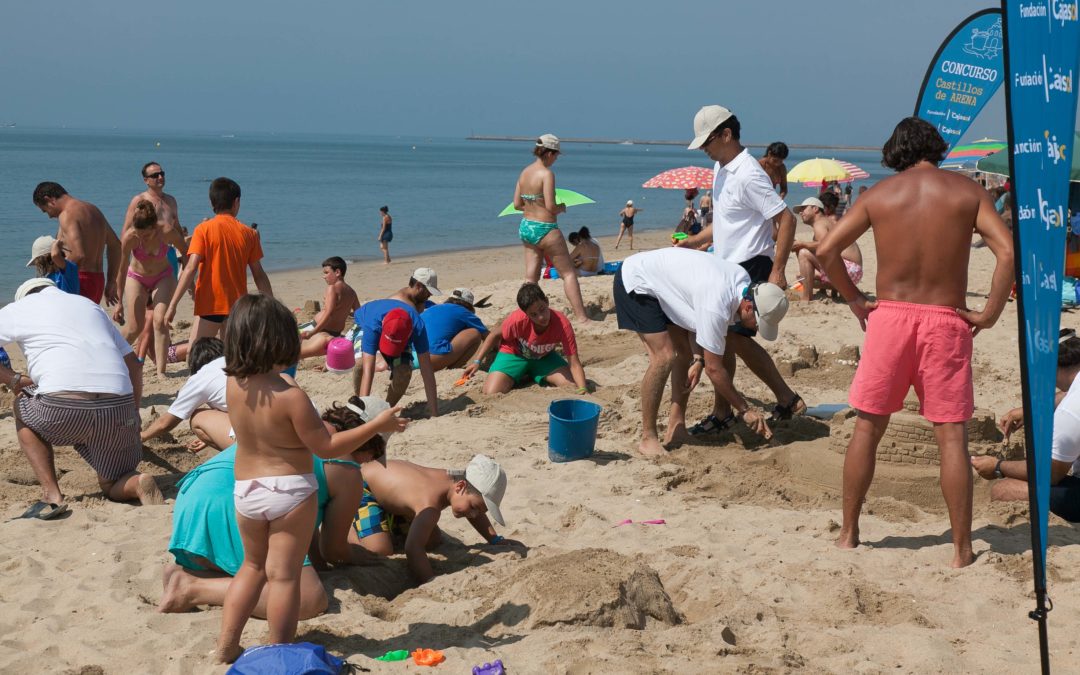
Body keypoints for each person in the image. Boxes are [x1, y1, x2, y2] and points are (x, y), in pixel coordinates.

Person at [816, 117, 1014, 568]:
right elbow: (1006, 251)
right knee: (951, 437)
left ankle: (849, 534)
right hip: (946, 320)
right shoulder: (967, 193)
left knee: (867, 426)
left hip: (889, 317)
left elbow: (826, 252)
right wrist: (990, 313)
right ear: (936, 147)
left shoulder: (879, 196)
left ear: (896, 152)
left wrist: (854, 300)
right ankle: (962, 549)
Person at [213, 294, 407, 663]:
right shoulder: (290, 395)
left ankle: (226, 645)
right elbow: (328, 447)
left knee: (252, 568)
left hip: (245, 490)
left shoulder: (234, 386)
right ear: (280, 342)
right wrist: (376, 426)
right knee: (284, 576)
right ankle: (279, 651)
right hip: (289, 490)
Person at [159, 395, 397, 619]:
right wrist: (362, 556)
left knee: (264, 571)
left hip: (194, 495)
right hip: (230, 505)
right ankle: (192, 588)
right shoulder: (347, 470)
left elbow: (308, 528)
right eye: (374, 455)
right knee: (308, 599)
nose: (370, 462)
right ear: (370, 443)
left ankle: (193, 574)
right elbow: (334, 550)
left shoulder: (304, 425)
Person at [680, 105, 803, 431]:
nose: (704, 148)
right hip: (728, 264)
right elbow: (724, 222)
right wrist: (694, 242)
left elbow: (786, 218)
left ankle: (784, 398)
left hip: (751, 265)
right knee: (723, 340)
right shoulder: (722, 168)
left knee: (729, 341)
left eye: (707, 141)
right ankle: (740, 409)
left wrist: (778, 269)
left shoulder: (748, 173)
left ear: (726, 134)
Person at [1, 278, 163, 520]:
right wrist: (133, 413)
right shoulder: (90, 306)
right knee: (112, 482)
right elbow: (133, 365)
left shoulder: (17, 309)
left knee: (20, 406)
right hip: (117, 407)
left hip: (64, 410)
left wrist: (13, 380)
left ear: (24, 297)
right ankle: (138, 483)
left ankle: (52, 495)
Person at [614, 248, 789, 456]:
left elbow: (694, 316)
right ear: (749, 307)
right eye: (759, 323)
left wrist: (697, 358)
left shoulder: (741, 280)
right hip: (636, 280)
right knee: (664, 357)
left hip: (665, 283)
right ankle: (648, 438)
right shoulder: (717, 303)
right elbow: (714, 369)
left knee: (685, 354)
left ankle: (676, 429)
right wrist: (745, 410)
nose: (756, 330)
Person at [351, 454, 516, 583]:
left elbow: (475, 510)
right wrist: (430, 581)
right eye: (473, 508)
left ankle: (387, 520)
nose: (473, 514)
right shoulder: (429, 506)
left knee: (432, 539)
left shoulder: (456, 478)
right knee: (379, 550)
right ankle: (347, 527)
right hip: (361, 487)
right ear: (460, 487)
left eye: (479, 511)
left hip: (392, 496)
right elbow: (413, 549)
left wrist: (494, 539)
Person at [971, 329, 1080, 521]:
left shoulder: (1070, 411)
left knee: (1004, 490)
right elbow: (1066, 395)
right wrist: (1032, 410)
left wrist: (998, 466)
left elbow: (1050, 473)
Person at [165, 177, 273, 344]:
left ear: (212, 202)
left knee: (195, 356)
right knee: (231, 357)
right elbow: (259, 274)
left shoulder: (203, 229)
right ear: (236, 202)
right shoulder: (249, 234)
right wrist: (270, 304)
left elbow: (190, 268)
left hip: (211, 304)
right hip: (237, 305)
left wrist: (173, 304)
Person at [511, 134, 590, 322]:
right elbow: (551, 207)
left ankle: (524, 317)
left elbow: (516, 204)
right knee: (568, 273)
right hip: (545, 228)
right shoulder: (546, 174)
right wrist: (561, 208)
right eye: (556, 155)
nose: (556, 159)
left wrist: (532, 208)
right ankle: (582, 318)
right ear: (549, 153)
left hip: (526, 226)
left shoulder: (524, 172)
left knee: (530, 278)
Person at [463, 282, 588, 395]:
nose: (541, 317)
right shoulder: (516, 320)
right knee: (491, 392)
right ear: (525, 313)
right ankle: (523, 373)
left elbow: (574, 363)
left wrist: (583, 390)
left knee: (572, 386)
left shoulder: (562, 324)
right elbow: (494, 335)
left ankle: (531, 373)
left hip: (544, 357)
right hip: (514, 354)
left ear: (547, 301)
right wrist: (477, 362)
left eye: (542, 309)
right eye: (533, 314)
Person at [353, 268, 441, 417]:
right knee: (362, 364)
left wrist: (434, 413)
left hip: (400, 328)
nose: (430, 295)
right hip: (367, 325)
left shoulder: (416, 325)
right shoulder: (372, 325)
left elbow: (426, 369)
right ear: (419, 286)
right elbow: (368, 369)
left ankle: (385, 411)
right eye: (428, 291)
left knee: (404, 371)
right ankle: (358, 404)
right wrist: (361, 415)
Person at [113, 201, 187, 377]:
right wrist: (118, 302)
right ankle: (110, 356)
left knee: (160, 320)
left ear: (154, 227)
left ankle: (161, 371)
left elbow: (186, 253)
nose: (142, 239)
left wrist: (188, 280)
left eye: (146, 235)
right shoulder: (131, 237)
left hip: (163, 276)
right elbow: (122, 270)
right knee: (134, 328)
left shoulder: (167, 231)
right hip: (137, 278)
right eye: (139, 234)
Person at [32, 181, 121, 305]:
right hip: (97, 280)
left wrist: (58, 275)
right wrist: (111, 281)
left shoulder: (66, 214)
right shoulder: (93, 209)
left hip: (79, 280)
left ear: (49, 200)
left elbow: (78, 254)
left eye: (45, 210)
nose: (49, 216)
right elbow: (115, 245)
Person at [140, 337, 233, 451]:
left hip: (251, 441)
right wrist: (214, 435)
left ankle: (237, 456)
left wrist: (142, 436)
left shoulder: (201, 377)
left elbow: (165, 423)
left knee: (197, 418)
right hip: (258, 423)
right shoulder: (238, 360)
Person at [791, 196, 862, 302]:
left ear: (815, 209)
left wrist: (802, 244)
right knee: (803, 277)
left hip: (850, 270)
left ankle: (806, 298)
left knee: (803, 253)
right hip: (854, 272)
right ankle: (836, 290)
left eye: (804, 209)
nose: (801, 213)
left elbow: (825, 246)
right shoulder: (827, 222)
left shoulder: (820, 223)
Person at [299, 256, 361, 359]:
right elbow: (358, 314)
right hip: (336, 333)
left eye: (326, 272)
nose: (324, 276)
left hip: (317, 327)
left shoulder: (332, 288)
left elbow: (329, 313)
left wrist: (312, 332)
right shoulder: (352, 292)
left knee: (288, 335)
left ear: (337, 272)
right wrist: (344, 312)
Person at [418, 288, 490, 371]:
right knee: (474, 333)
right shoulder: (464, 312)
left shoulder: (432, 308)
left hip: (412, 360)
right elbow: (489, 337)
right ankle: (453, 369)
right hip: (429, 361)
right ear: (469, 306)